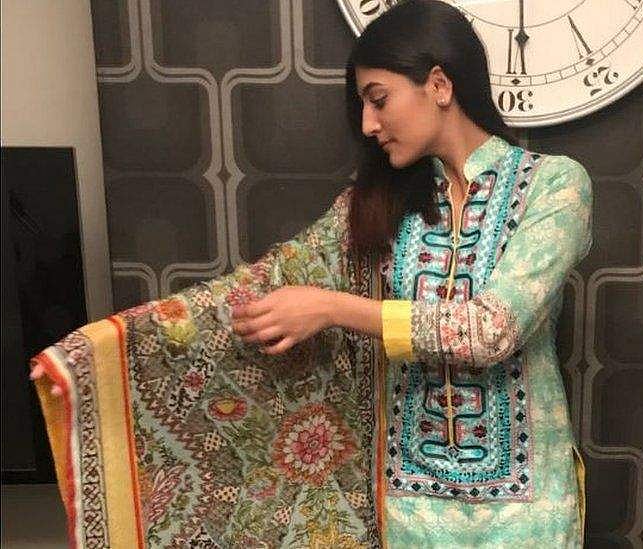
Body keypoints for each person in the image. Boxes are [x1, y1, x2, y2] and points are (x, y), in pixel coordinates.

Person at [30, 1, 591, 547]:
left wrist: (331, 308)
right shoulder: (378, 207)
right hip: (410, 507)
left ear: (439, 85)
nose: (368, 124)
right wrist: (101, 351)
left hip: (529, 511)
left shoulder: (554, 187)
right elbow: (261, 288)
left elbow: (491, 330)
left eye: (379, 99)